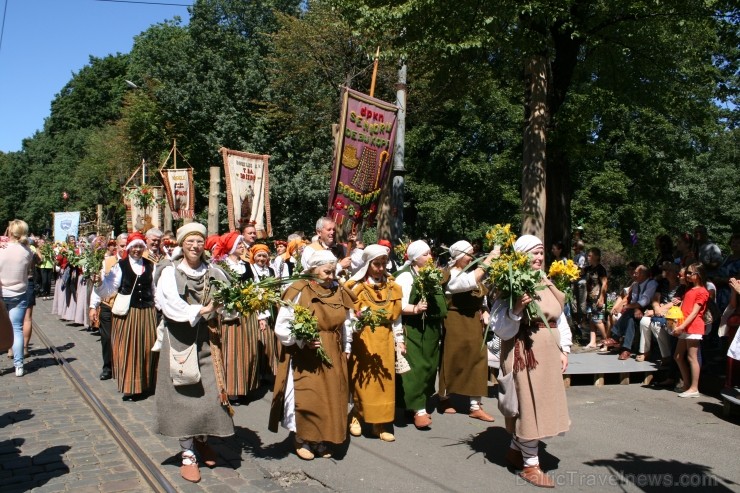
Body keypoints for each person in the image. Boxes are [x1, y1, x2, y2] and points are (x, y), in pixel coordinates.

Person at [154, 223, 234, 483]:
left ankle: (201, 438)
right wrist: (200, 310)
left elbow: (229, 301)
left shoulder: (213, 271)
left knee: (210, 393)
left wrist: (229, 305)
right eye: (190, 241)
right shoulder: (170, 272)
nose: (195, 246)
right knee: (184, 394)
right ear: (182, 244)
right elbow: (170, 304)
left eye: (199, 241)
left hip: (208, 340)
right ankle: (187, 452)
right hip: (181, 340)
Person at [490, 235, 572, 488]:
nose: (538, 258)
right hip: (524, 353)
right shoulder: (510, 284)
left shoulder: (547, 282)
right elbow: (499, 327)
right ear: (520, 256)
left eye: (541, 253)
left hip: (546, 354)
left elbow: (560, 320)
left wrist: (563, 349)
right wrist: (515, 310)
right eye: (532, 254)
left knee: (543, 404)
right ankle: (531, 465)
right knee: (528, 405)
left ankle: (516, 450)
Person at [269, 250, 355, 460]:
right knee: (309, 395)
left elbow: (347, 320)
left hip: (332, 348)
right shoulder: (298, 289)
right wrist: (302, 340)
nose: (331, 276)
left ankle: (322, 438)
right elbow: (282, 326)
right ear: (312, 270)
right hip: (305, 353)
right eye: (326, 272)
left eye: (333, 271)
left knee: (331, 395)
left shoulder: (338, 289)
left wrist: (347, 345)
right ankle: (302, 438)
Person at [345, 244, 403, 441]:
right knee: (363, 380)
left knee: (384, 382)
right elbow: (349, 315)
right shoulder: (356, 287)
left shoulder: (392, 286)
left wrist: (400, 339)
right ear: (368, 264)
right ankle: (356, 416)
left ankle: (380, 423)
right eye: (376, 264)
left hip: (385, 339)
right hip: (364, 338)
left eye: (383, 263)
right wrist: (357, 322)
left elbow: (396, 318)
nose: (380, 268)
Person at [438, 240, 497, 422]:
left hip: (473, 322)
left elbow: (481, 297)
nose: (472, 257)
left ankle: (475, 405)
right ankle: (444, 397)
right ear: (458, 257)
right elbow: (467, 283)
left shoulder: (473, 273)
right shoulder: (451, 275)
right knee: (452, 358)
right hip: (455, 321)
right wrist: (491, 260)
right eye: (469, 254)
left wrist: (486, 311)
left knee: (478, 360)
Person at [94, 232, 158, 400]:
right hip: (128, 315)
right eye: (134, 246)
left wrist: (160, 308)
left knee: (147, 348)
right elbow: (109, 289)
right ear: (129, 248)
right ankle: (131, 386)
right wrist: (99, 284)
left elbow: (154, 290)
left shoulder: (151, 265)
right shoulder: (119, 266)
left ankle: (146, 384)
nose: (137, 250)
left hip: (147, 313)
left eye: (140, 246)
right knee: (128, 349)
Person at [394, 240, 447, 429]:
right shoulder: (405, 277)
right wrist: (415, 309)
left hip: (431, 331)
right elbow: (397, 304)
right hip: (414, 329)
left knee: (430, 367)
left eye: (430, 253)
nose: (430, 257)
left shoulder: (431, 275)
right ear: (415, 258)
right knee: (416, 368)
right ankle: (419, 409)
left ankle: (414, 404)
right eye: (425, 254)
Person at [212, 231, 261, 403]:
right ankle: (230, 389)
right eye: (239, 245)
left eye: (242, 244)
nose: (243, 247)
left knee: (247, 351)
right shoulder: (221, 266)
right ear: (231, 247)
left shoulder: (248, 265)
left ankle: (243, 386)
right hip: (229, 315)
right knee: (231, 351)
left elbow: (255, 288)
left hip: (247, 313)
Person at [89, 233, 128, 381]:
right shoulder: (108, 262)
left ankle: (122, 366)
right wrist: (93, 306)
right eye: (122, 246)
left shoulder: (133, 261)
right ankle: (107, 367)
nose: (124, 249)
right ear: (116, 246)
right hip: (108, 304)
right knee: (106, 337)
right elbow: (99, 284)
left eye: (126, 246)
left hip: (125, 306)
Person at [0, 220, 34, 376]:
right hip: (19, 293)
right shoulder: (27, 252)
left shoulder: (2, 249)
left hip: (2, 292)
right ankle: (19, 365)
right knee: (17, 329)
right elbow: (28, 271)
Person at [604, 265, 657, 360]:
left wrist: (630, 307)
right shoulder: (636, 285)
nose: (634, 275)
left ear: (643, 274)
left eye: (636, 273)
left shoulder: (651, 283)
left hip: (648, 310)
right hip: (637, 310)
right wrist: (635, 308)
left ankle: (616, 337)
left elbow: (645, 301)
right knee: (631, 320)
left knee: (629, 312)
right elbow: (634, 300)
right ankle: (626, 349)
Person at [672, 263, 710, 398]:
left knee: (692, 356)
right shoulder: (689, 290)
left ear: (698, 275)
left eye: (690, 273)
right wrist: (678, 322)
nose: (687, 275)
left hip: (693, 327)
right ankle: (687, 384)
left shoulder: (702, 291)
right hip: (684, 327)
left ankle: (694, 388)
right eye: (687, 273)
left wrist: (682, 326)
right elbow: (683, 309)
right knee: (677, 356)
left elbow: (695, 313)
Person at [636, 262, 685, 365]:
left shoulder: (681, 287)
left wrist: (655, 311)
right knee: (644, 321)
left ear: (675, 273)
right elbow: (655, 298)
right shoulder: (663, 283)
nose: (665, 272)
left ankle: (666, 355)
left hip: (672, 314)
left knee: (657, 324)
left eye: (668, 270)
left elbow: (675, 303)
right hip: (659, 310)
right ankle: (645, 351)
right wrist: (656, 307)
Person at [583, 248, 608, 349]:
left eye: (590, 255)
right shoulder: (588, 269)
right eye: (588, 255)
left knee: (598, 320)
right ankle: (592, 341)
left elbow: (605, 283)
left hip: (598, 298)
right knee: (592, 320)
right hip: (590, 298)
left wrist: (602, 297)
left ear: (596, 257)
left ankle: (607, 341)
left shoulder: (600, 269)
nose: (588, 257)